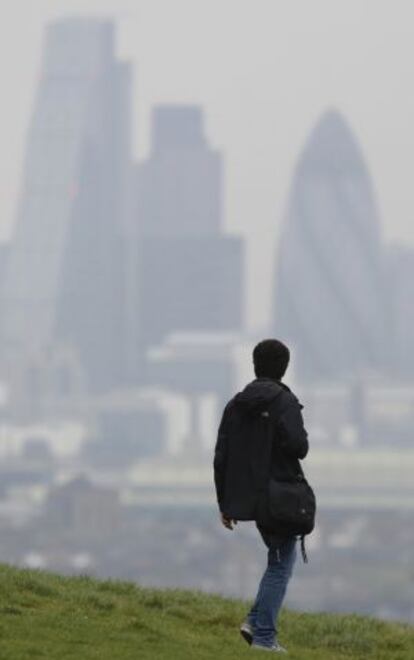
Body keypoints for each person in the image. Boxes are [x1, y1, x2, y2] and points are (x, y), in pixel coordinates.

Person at [213, 338, 309, 653]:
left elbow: (221, 456)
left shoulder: (235, 404)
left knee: (278, 559)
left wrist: (224, 503)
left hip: (247, 497)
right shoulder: (284, 402)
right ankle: (264, 638)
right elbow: (299, 447)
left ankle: (254, 621)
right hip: (279, 495)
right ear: (284, 367)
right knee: (281, 564)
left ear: (255, 364)